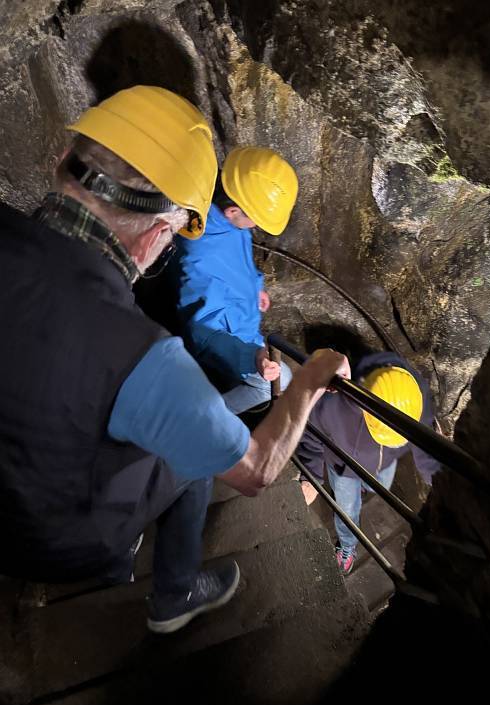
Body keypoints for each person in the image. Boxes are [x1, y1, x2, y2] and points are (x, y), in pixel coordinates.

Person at [0, 86, 349, 634]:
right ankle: (171, 594)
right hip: (47, 542)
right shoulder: (145, 356)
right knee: (196, 459)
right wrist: (308, 380)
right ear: (157, 236)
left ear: (62, 160)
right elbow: (256, 469)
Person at [172, 146, 298, 413]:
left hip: (243, 319)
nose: (256, 226)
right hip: (235, 342)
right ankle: (203, 420)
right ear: (232, 211)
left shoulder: (225, 215)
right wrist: (252, 358)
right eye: (256, 220)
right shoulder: (201, 253)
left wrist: (255, 285)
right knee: (278, 380)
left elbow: (238, 261)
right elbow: (203, 332)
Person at [297, 344, 439, 575]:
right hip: (343, 468)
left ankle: (365, 487)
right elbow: (311, 435)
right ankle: (347, 547)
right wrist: (311, 475)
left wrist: (442, 481)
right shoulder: (332, 403)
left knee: (379, 486)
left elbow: (425, 442)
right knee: (347, 512)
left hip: (383, 462)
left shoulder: (414, 394)